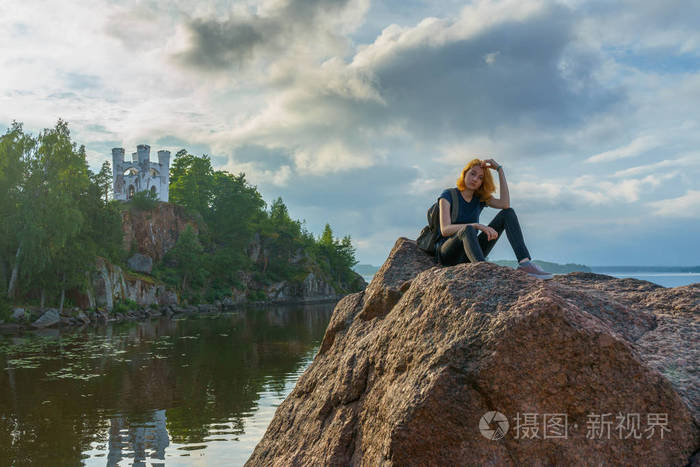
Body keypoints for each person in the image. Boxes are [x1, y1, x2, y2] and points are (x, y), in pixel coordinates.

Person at [435, 158, 553, 280]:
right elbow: (445, 229)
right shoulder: (448, 195)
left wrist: (499, 170)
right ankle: (483, 272)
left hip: (470, 253)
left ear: (482, 182)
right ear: (465, 174)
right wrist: (476, 225)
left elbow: (505, 204)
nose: (475, 179)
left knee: (508, 213)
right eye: (472, 174)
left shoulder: (479, 198)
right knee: (468, 229)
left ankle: (525, 264)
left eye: (480, 178)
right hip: (448, 253)